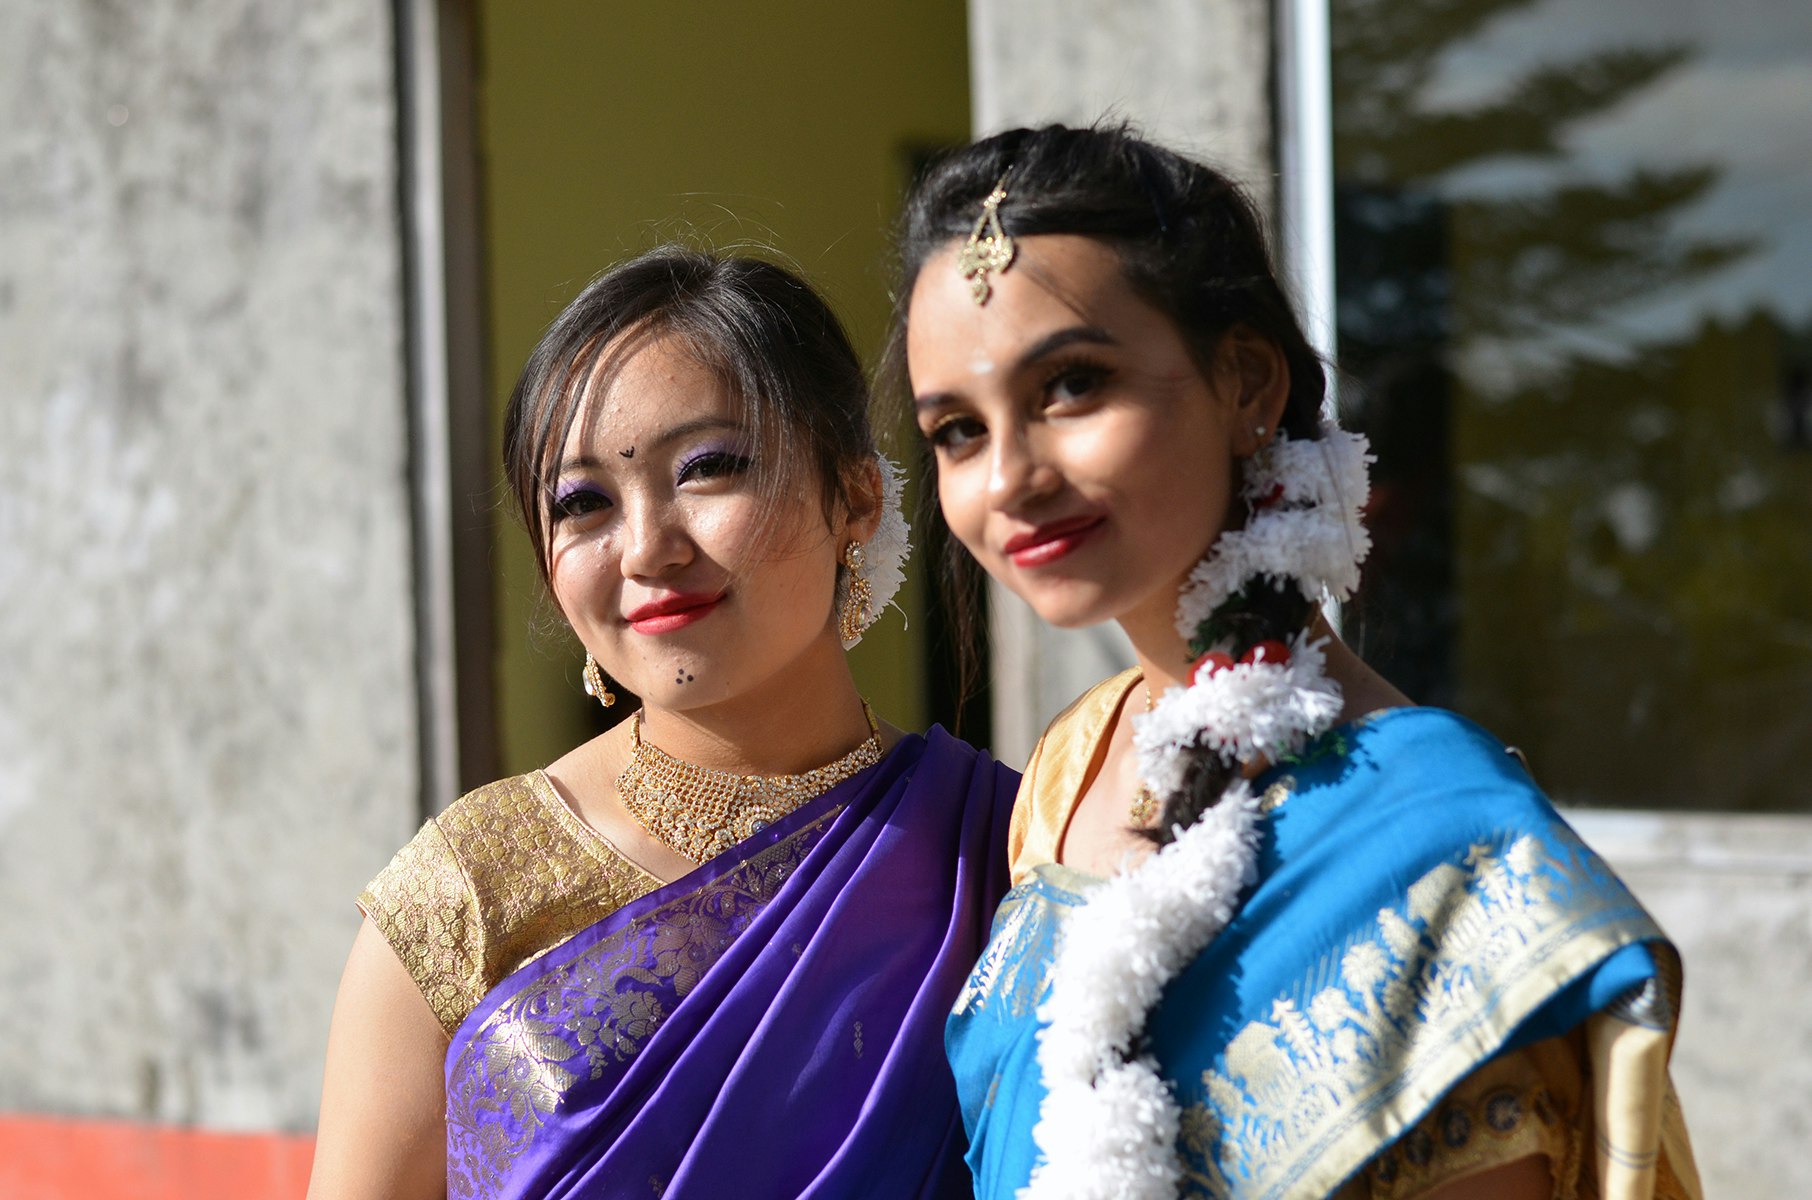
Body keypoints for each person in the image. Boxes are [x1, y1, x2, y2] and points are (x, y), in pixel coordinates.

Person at [891, 125, 1701, 1200]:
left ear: (1247, 383)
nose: (1010, 477)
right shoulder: (1069, 768)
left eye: (1074, 385)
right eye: (956, 431)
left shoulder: (1441, 845)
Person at [307, 247, 1018, 1200]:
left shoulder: (1006, 855)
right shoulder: (469, 893)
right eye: (583, 502)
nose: (646, 547)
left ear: (855, 495)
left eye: (709, 468)